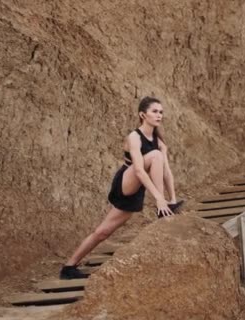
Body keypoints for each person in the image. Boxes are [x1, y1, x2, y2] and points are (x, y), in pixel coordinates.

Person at [59, 96, 185, 280]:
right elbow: (140, 171)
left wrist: (172, 198)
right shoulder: (134, 137)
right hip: (126, 182)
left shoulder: (160, 141)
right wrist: (159, 198)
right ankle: (161, 208)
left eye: (161, 112)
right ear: (143, 114)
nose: (159, 115)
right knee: (156, 156)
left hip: (139, 189)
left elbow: (167, 172)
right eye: (155, 111)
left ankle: (69, 267)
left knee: (103, 232)